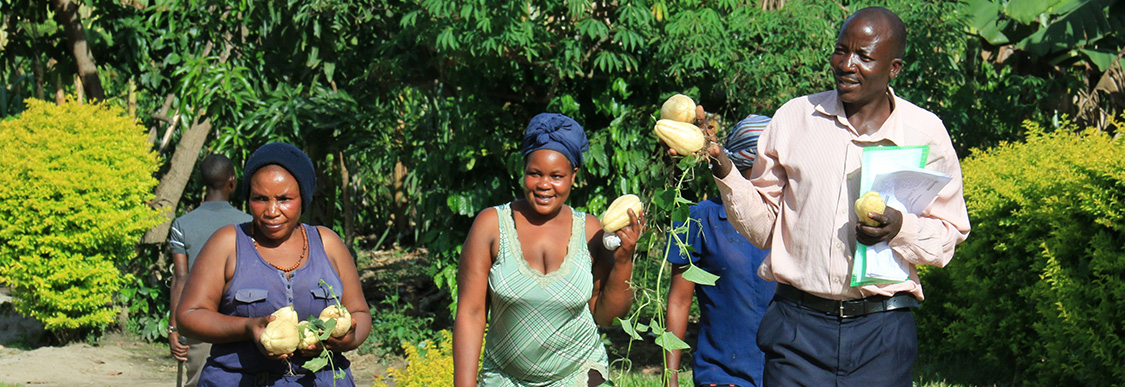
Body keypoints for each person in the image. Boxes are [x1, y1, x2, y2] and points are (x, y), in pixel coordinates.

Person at [701, 7, 971, 386]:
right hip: (798, 329)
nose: (847, 64)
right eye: (841, 50)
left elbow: (947, 240)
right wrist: (723, 166)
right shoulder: (795, 119)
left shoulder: (925, 132)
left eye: (864, 56)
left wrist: (900, 228)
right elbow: (763, 230)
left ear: (894, 68)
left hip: (882, 334)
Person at [452, 113, 643, 387]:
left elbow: (606, 317)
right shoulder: (491, 226)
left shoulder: (590, 231)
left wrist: (623, 260)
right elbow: (470, 313)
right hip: (505, 379)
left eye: (557, 176)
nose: (544, 185)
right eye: (535, 174)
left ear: (573, 176)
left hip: (578, 375)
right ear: (523, 170)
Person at [176, 142, 371, 386]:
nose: (272, 210)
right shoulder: (228, 243)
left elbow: (360, 313)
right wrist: (248, 327)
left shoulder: (327, 243)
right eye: (259, 198)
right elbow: (189, 316)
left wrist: (346, 339)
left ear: (303, 198)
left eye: (284, 199)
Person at [664, 115, 774, 387]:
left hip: (787, 371)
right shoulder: (700, 219)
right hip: (723, 373)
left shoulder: (793, 218)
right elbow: (679, 301)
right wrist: (671, 376)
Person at [168, 154, 253, 387]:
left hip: (198, 322)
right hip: (241, 322)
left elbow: (180, 278)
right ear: (232, 182)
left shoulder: (182, 225)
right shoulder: (248, 224)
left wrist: (174, 327)